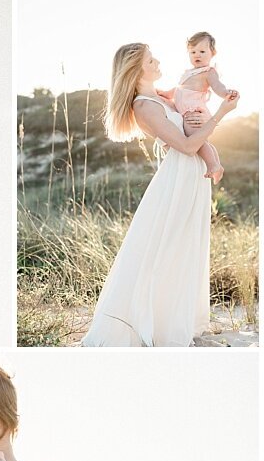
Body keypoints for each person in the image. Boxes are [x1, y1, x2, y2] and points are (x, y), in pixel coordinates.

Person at [82, 43, 239, 347]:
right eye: (151, 60)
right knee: (164, 248)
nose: (157, 62)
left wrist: (201, 121)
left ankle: (172, 319)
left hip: (193, 177)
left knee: (184, 247)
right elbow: (186, 147)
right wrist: (221, 112)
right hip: (177, 179)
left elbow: (193, 135)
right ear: (137, 69)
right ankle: (149, 324)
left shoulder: (161, 98)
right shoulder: (144, 105)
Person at [160, 30, 235, 184]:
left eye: (202, 51)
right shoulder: (188, 72)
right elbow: (179, 89)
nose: (197, 55)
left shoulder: (209, 72)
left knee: (195, 140)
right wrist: (167, 94)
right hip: (186, 113)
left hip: (193, 113)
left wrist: (226, 93)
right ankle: (217, 165)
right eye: (192, 52)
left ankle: (213, 165)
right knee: (202, 142)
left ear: (212, 53)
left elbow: (217, 86)